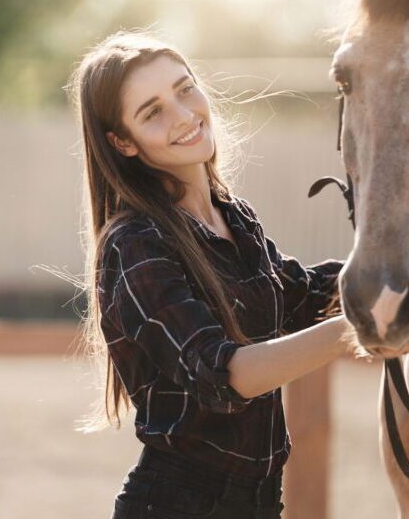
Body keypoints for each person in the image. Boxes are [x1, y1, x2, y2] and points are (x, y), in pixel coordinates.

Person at [68, 30, 352, 519]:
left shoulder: (233, 216)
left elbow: (303, 297)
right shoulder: (134, 244)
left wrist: (406, 267)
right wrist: (361, 326)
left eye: (184, 89)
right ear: (123, 143)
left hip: (260, 505)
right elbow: (225, 375)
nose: (183, 115)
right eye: (152, 112)